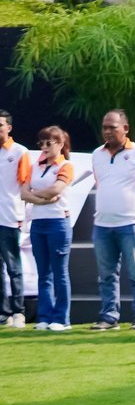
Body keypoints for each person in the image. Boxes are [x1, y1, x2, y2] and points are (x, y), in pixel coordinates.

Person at [86, 110, 135, 331]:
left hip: (132, 223)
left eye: (112, 127)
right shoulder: (97, 154)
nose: (107, 131)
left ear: (125, 128)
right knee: (106, 275)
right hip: (103, 224)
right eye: (104, 127)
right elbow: (101, 184)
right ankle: (109, 317)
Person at [23, 126, 75, 331]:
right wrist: (42, 200)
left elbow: (57, 189)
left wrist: (37, 195)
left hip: (57, 223)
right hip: (38, 222)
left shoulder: (66, 165)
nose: (43, 147)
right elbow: (24, 193)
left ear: (60, 145)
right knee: (43, 273)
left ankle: (62, 318)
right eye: (41, 143)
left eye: (48, 143)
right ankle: (44, 316)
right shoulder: (35, 166)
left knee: (59, 272)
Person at [0, 110, 30, 328]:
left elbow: (25, 186)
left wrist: (22, 215)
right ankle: (4, 312)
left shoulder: (20, 152)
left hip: (10, 216)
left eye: (0, 125)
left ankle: (18, 311)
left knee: (13, 267)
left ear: (9, 127)